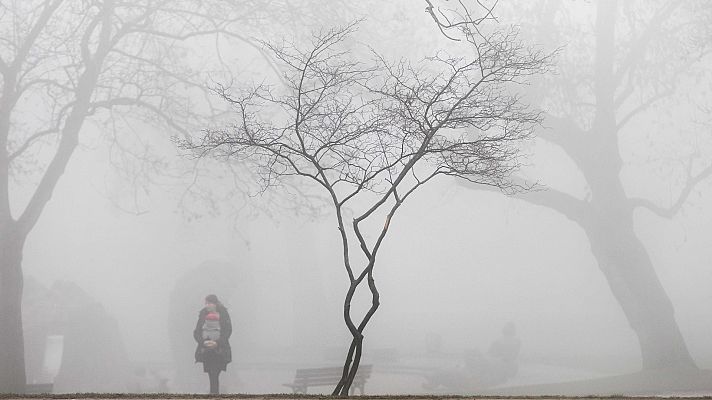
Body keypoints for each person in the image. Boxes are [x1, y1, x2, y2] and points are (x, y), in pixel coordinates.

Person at [193, 294, 232, 394]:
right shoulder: (203, 315)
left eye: (209, 303)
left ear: (215, 304)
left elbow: (228, 331)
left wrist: (217, 343)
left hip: (220, 351)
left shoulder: (223, 315)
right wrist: (203, 342)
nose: (207, 305)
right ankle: (214, 394)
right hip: (206, 351)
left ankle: (213, 394)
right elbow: (197, 332)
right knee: (212, 374)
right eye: (206, 303)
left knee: (214, 373)